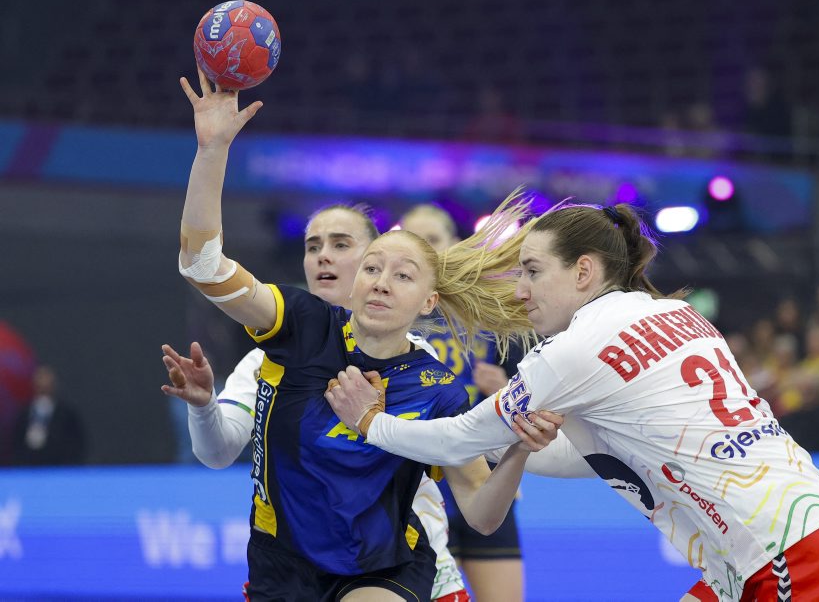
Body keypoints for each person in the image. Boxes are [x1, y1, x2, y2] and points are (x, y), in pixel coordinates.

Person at [325, 203, 819, 601]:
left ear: (584, 271)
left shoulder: (576, 348)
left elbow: (459, 438)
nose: (520, 291)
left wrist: (370, 421)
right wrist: (516, 446)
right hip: (790, 544)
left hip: (789, 559)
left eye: (533, 272)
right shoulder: (675, 313)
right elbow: (597, 457)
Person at [170, 68, 561, 602]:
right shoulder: (302, 325)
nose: (380, 283)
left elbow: (481, 514)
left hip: (384, 568)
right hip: (282, 571)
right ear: (354, 284)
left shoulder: (436, 386)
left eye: (402, 276)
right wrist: (212, 149)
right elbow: (203, 266)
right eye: (373, 269)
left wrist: (516, 451)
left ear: (428, 302)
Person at [164, 202, 469, 600]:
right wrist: (204, 405)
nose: (324, 255)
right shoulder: (267, 357)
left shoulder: (418, 364)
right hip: (293, 567)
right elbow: (217, 453)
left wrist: (507, 443)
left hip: (400, 569)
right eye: (313, 246)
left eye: (341, 244)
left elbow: (470, 479)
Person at [401, 204, 525, 602]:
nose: (425, 249)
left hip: (481, 471)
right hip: (419, 479)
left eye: (433, 240)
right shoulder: (391, 314)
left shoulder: (488, 313)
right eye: (414, 240)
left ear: (455, 244)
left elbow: (530, 394)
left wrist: (504, 388)